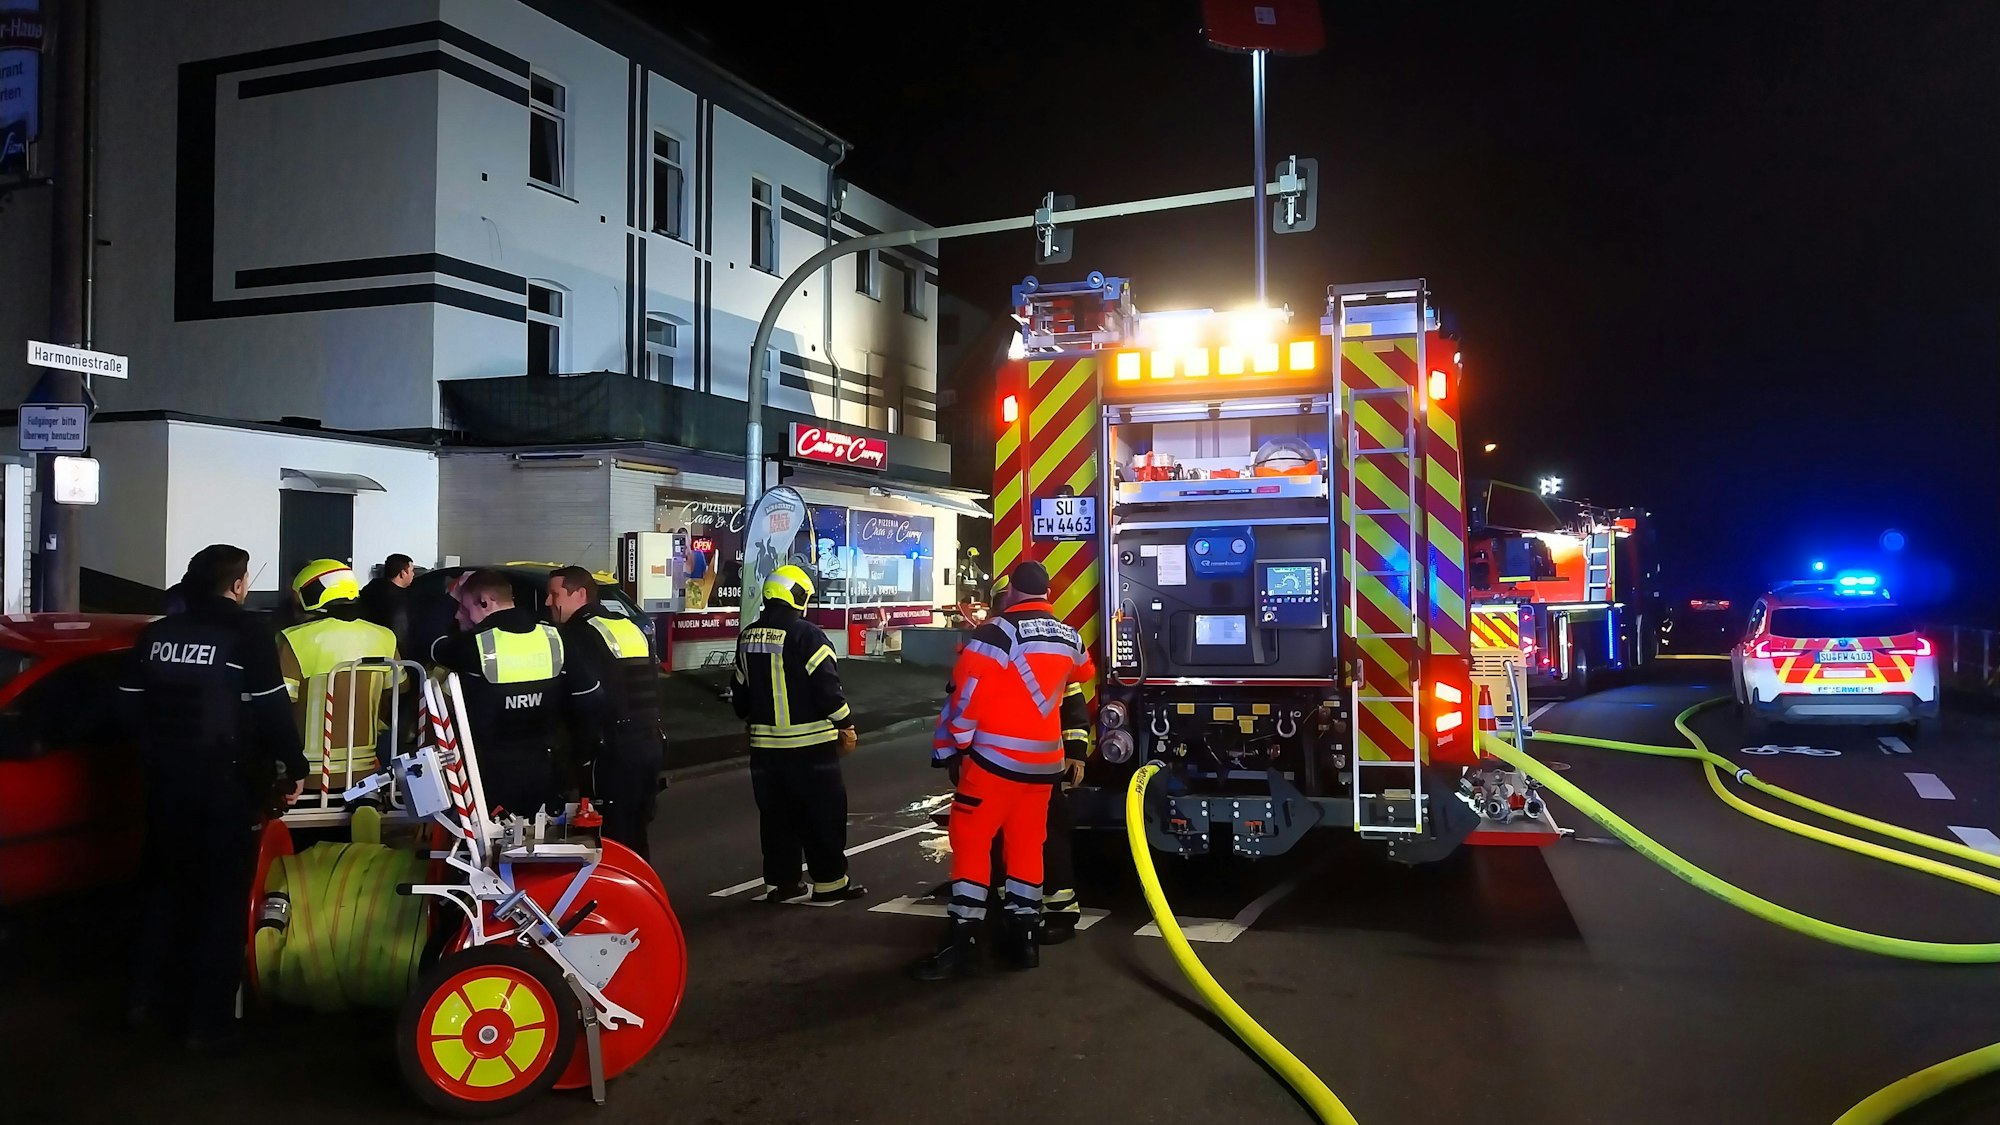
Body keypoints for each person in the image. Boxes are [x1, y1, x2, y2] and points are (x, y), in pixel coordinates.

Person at [118, 544, 305, 1050]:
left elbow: (128, 711)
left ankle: (141, 1000)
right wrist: (296, 767)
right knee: (221, 905)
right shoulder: (247, 633)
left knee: (163, 892)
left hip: (162, 786)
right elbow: (270, 711)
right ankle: (205, 1025)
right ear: (239, 585)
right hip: (224, 787)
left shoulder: (155, 635)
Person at [913, 560, 1093, 980]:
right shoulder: (1069, 636)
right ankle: (1023, 939)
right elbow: (1079, 675)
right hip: (1042, 769)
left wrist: (955, 747)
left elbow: (966, 698)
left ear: (1010, 591)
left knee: (972, 843)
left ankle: (964, 940)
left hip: (993, 765)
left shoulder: (993, 635)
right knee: (1027, 847)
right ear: (1048, 593)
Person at [732, 564, 866, 904]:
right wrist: (846, 724)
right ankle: (830, 883)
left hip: (764, 752)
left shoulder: (747, 636)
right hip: (811, 750)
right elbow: (828, 690)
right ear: (799, 596)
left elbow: (740, 698)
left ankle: (782, 883)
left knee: (776, 819)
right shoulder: (808, 635)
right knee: (823, 816)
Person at [429, 569, 601, 817]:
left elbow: (432, 642)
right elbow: (590, 699)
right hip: (547, 770)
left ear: (485, 602)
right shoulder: (555, 639)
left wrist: (452, 595)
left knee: (493, 849)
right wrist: (576, 756)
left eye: (465, 608)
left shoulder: (474, 645)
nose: (459, 615)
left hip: (489, 775)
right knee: (542, 847)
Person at [547, 565, 663, 861]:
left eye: (554, 594)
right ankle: (642, 896)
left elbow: (584, 701)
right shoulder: (630, 626)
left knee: (609, 839)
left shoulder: (576, 634)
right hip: (649, 744)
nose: (548, 603)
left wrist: (578, 755)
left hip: (610, 751)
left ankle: (616, 903)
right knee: (637, 833)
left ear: (580, 594)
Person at [275, 560, 403, 817]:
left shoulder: (292, 638)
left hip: (307, 777)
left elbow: (277, 707)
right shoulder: (385, 637)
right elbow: (398, 693)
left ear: (311, 595)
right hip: (365, 772)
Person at [358, 553, 416, 647]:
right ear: (402, 573)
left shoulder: (371, 589)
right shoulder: (398, 600)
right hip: (390, 650)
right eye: (411, 571)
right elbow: (400, 633)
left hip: (365, 644)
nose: (413, 574)